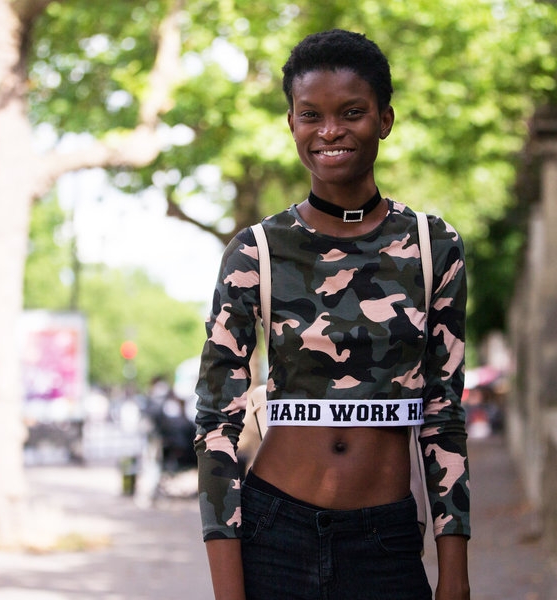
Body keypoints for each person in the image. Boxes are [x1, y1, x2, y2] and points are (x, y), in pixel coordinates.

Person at [194, 29, 470, 600]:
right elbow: (217, 423)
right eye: (309, 115)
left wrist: (455, 572)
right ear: (291, 125)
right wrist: (228, 591)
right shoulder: (257, 251)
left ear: (385, 119)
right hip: (274, 533)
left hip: (386, 541)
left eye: (351, 112)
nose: (329, 131)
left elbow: (443, 415)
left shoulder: (432, 244)